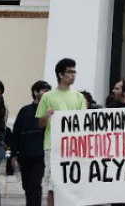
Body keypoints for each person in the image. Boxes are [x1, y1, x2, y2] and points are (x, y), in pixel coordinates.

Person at [37, 59, 88, 206]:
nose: (73, 75)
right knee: (53, 186)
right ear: (60, 74)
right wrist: (47, 116)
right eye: (70, 72)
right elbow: (40, 124)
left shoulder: (78, 97)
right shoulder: (48, 97)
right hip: (53, 147)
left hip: (72, 148)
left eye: (74, 72)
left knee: (71, 184)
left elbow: (84, 123)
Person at [11, 81, 49, 206]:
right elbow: (16, 132)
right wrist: (13, 154)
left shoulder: (49, 112)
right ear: (35, 92)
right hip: (24, 155)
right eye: (44, 90)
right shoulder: (25, 110)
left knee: (34, 184)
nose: (47, 92)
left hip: (40, 155)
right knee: (27, 186)